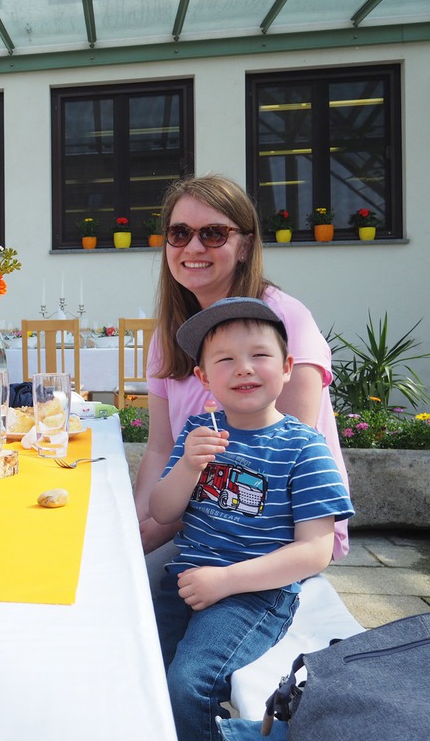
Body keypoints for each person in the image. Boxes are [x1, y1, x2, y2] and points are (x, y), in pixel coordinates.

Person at [150, 297, 353, 741]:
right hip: (186, 580)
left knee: (189, 683)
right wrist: (188, 466)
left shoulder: (304, 448)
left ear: (287, 367)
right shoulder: (199, 433)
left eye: (259, 354)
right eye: (225, 359)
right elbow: (162, 511)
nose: (243, 368)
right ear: (204, 377)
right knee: (140, 666)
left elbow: (315, 551)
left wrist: (226, 580)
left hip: (257, 595)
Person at [136, 174, 351, 561]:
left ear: (245, 246)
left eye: (213, 233)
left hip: (277, 532)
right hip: (199, 519)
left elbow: (277, 462)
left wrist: (158, 530)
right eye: (179, 233)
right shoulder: (170, 335)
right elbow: (159, 449)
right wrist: (138, 522)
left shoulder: (285, 321)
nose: (193, 247)